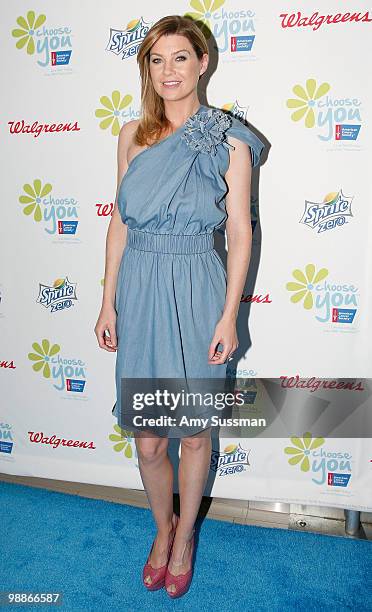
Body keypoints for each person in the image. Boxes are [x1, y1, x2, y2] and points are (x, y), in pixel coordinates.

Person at [94, 14, 264, 599]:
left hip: (198, 283)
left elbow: (239, 232)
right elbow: (118, 222)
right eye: (157, 60)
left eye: (180, 58)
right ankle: (160, 528)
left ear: (203, 62)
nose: (169, 71)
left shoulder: (229, 138)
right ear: (148, 68)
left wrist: (228, 315)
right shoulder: (132, 136)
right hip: (140, 284)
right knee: (148, 438)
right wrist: (107, 299)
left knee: (193, 433)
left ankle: (185, 535)